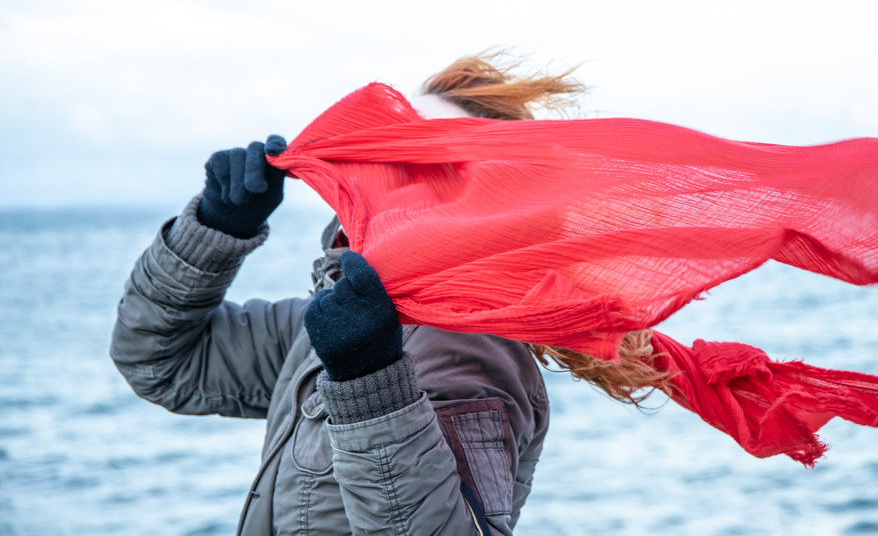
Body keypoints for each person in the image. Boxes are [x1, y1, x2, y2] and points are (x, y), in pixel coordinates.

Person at [112, 54, 664, 535]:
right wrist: (214, 231)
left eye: (428, 153)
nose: (396, 165)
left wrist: (371, 384)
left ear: (484, 197)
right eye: (394, 142)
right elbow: (161, 362)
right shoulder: (340, 323)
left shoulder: (471, 349)